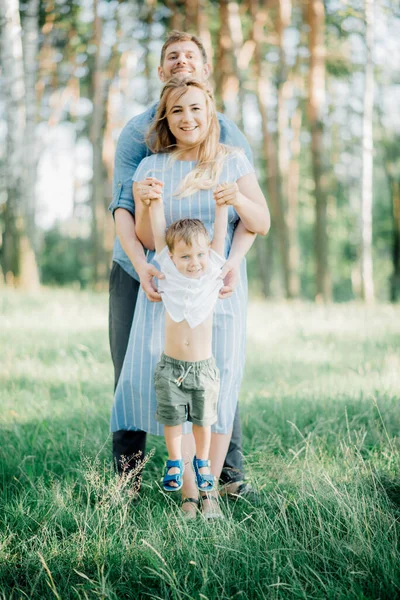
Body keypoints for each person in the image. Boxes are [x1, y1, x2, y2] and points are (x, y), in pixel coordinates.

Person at [109, 30, 261, 501]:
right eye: (172, 57)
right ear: (160, 73)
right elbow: (126, 212)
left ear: (205, 71)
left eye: (190, 55)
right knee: (136, 372)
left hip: (210, 273)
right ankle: (127, 481)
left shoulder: (229, 138)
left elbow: (248, 216)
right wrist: (145, 261)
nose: (181, 62)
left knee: (217, 370)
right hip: (143, 269)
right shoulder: (139, 137)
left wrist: (228, 263)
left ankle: (219, 480)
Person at [147, 211, 227, 495]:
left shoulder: (211, 275)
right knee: (172, 420)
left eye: (200, 255)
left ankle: (202, 461)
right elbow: (159, 237)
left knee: (203, 421)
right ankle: (174, 461)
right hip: (171, 369)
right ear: (172, 257)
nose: (194, 262)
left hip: (203, 369)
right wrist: (154, 202)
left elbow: (219, 237)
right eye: (185, 257)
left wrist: (223, 206)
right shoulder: (168, 274)